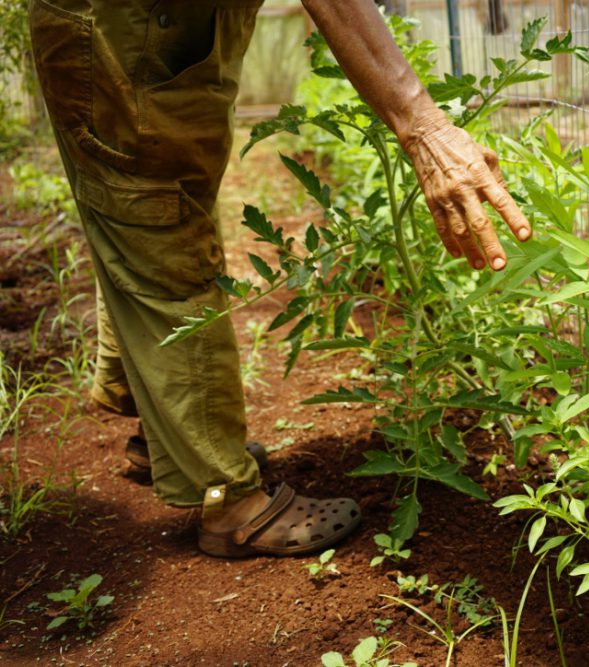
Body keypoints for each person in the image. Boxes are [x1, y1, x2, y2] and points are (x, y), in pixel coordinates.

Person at [28, 0, 532, 557]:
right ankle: (230, 502)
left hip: (168, 27)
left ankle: (163, 429)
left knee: (158, 203)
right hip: (126, 34)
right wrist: (423, 124)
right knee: (155, 214)